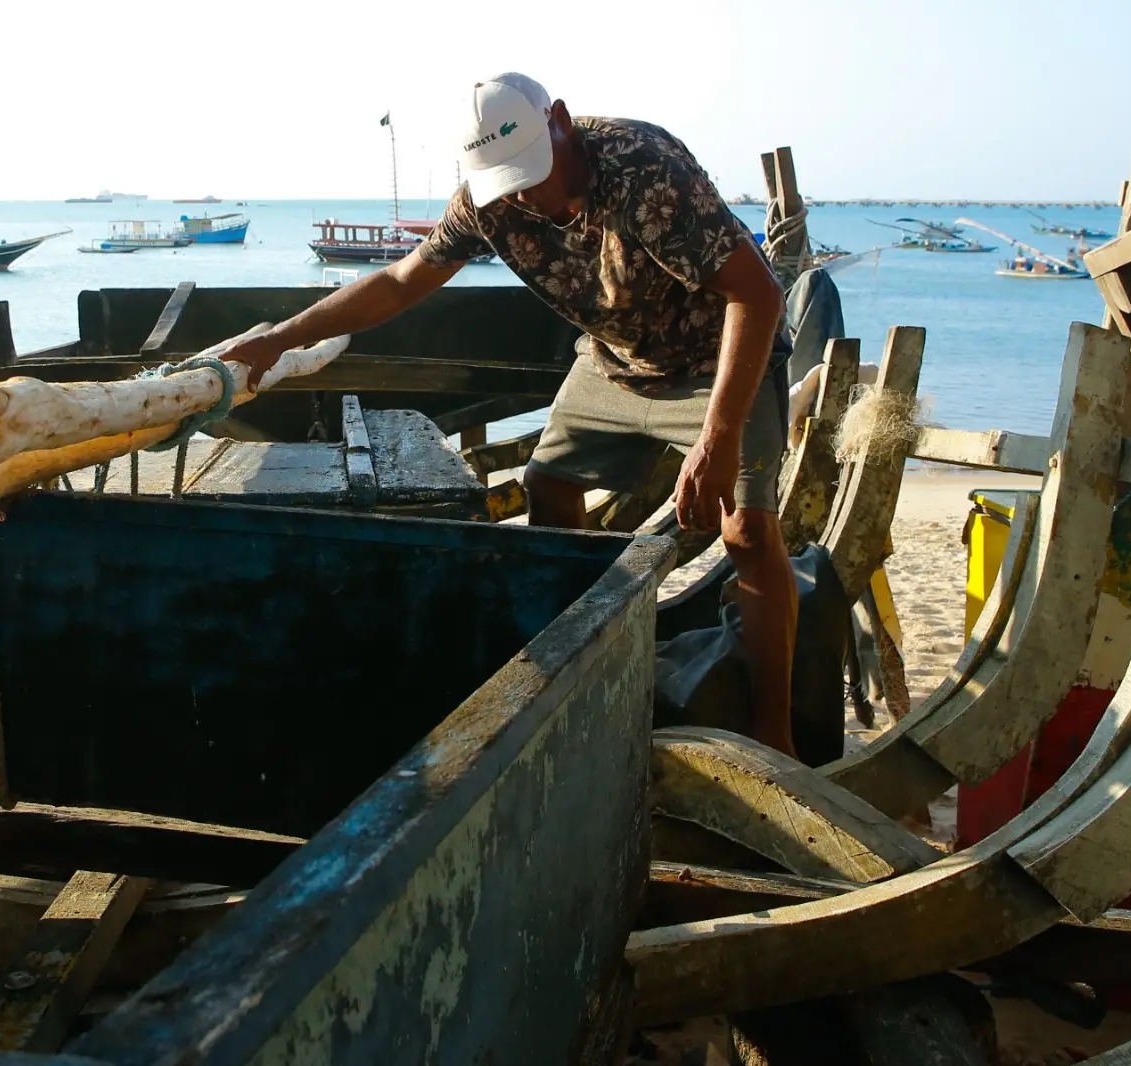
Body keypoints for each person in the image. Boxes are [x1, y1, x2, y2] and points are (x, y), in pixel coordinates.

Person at [223, 73, 798, 756]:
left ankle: (777, 730)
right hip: (616, 360)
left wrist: (719, 436)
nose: (526, 195)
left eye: (532, 171)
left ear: (559, 120)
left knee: (748, 533)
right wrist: (279, 338)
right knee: (548, 483)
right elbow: (402, 281)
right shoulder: (488, 201)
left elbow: (756, 295)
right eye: (507, 182)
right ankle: (588, 664)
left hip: (719, 357)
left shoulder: (645, 166)